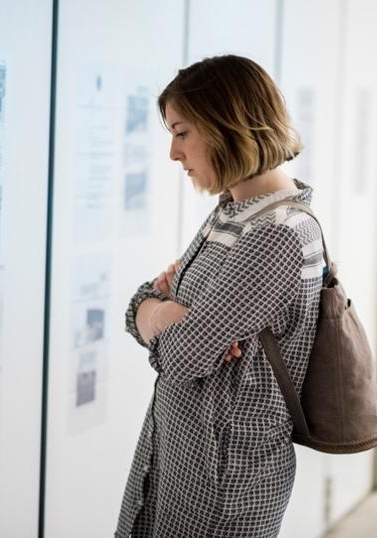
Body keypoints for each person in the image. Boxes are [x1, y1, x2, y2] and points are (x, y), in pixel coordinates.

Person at [115, 55, 325, 537]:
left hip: (222, 482)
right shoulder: (234, 211)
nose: (173, 152)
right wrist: (163, 313)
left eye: (182, 132)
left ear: (227, 124)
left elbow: (186, 356)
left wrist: (168, 321)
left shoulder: (279, 232)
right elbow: (139, 306)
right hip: (177, 456)